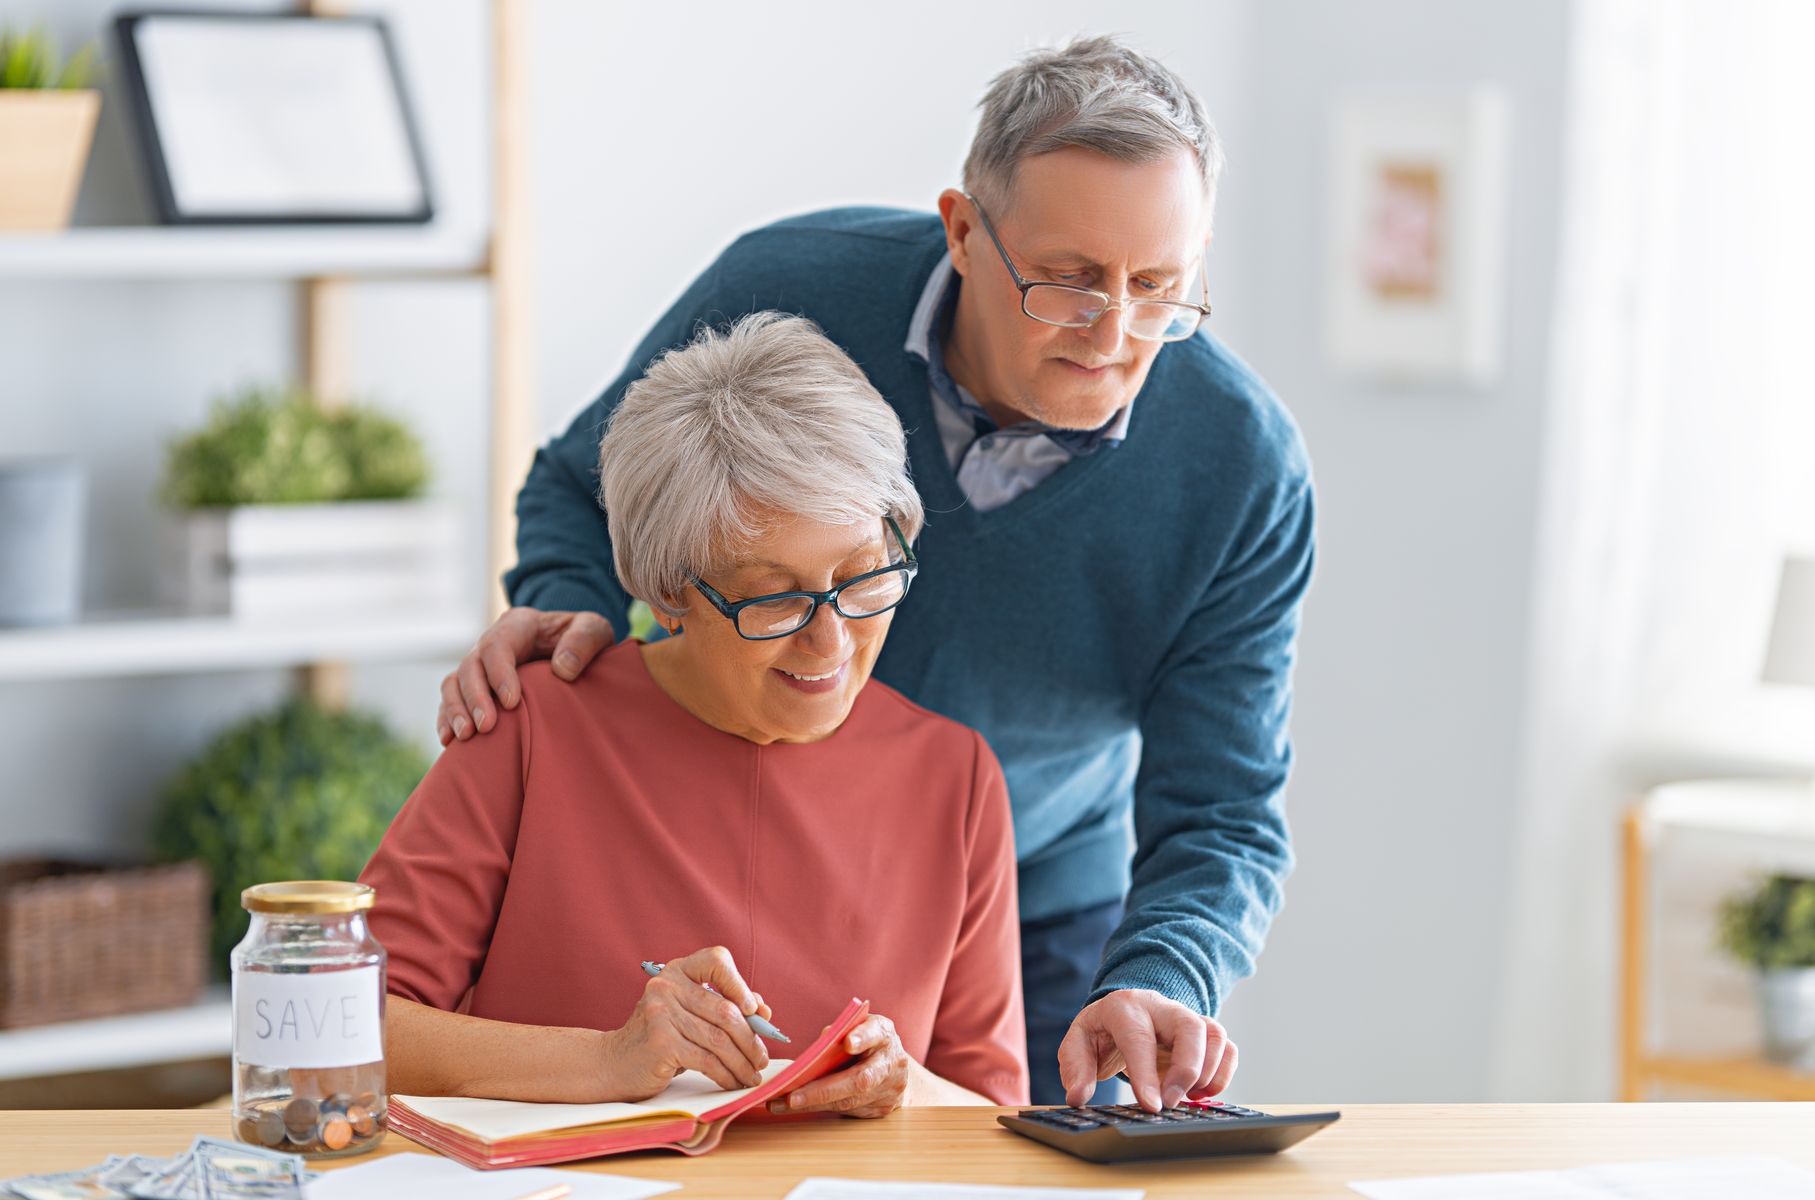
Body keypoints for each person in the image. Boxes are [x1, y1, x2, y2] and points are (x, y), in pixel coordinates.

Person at [440, 35, 1312, 1111]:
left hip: (1035, 901)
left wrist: (1161, 976)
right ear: (961, 232)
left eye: (1161, 288)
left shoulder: (1241, 469)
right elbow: (584, 484)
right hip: (731, 842)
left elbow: (1224, 808)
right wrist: (569, 619)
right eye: (1068, 280)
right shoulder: (787, 288)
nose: (1115, 331)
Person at [362, 313, 1029, 1114]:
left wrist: (905, 1086)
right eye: (774, 598)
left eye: (862, 578)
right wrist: (608, 1062)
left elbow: (995, 1118)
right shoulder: (530, 728)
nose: (830, 643)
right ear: (669, 589)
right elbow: (337, 1026)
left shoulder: (954, 776)